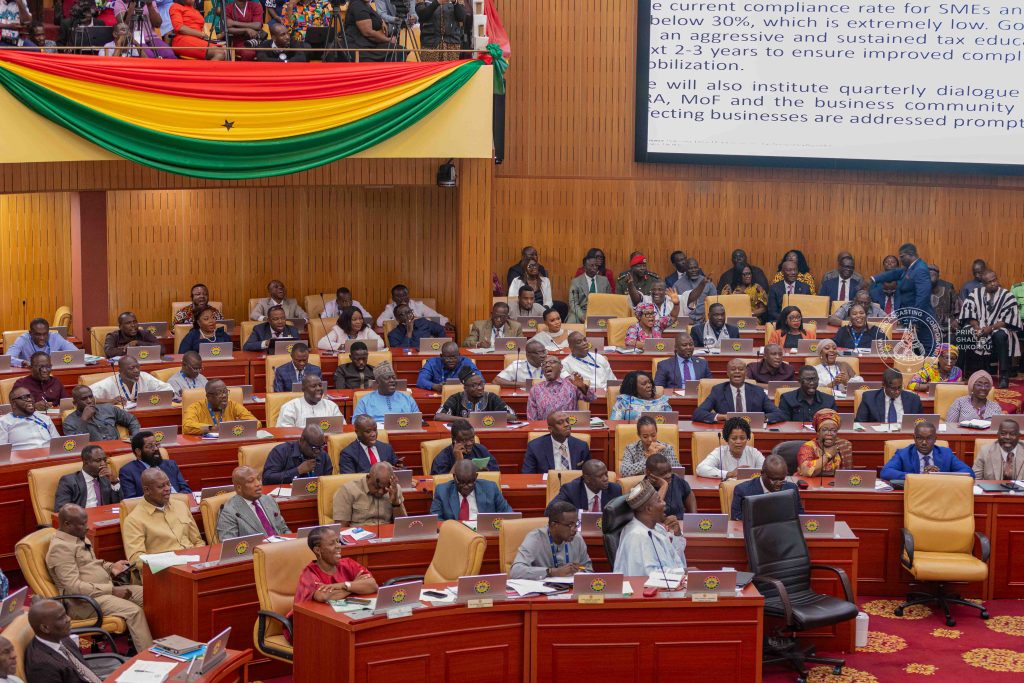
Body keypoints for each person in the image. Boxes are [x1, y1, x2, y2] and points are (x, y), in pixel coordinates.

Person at [46, 504, 152, 650]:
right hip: (83, 603)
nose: (87, 527)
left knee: (151, 597)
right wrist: (112, 590)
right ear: (67, 524)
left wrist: (112, 567)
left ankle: (162, 646)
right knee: (134, 612)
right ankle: (148, 657)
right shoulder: (60, 548)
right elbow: (73, 587)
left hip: (102, 592)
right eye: (82, 524)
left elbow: (93, 564)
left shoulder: (78, 537)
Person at [122, 468, 205, 570]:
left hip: (194, 564)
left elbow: (198, 541)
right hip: (164, 571)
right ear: (147, 490)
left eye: (168, 484)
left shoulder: (181, 506)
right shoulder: (133, 520)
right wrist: (171, 562)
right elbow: (136, 560)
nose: (167, 488)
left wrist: (199, 559)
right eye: (161, 486)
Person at [291, 527, 376, 621]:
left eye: (338, 541)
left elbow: (372, 585)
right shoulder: (309, 573)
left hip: (342, 618)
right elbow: (324, 596)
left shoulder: (348, 563)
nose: (338, 546)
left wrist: (343, 585)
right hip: (312, 622)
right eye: (332, 543)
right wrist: (355, 585)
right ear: (317, 550)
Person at [868, 243, 935, 355]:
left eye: (902, 256)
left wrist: (915, 320)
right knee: (913, 350)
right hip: (911, 317)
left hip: (920, 319)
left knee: (926, 349)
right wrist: (874, 279)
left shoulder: (920, 269)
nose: (900, 259)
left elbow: (923, 297)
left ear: (910, 254)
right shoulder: (910, 268)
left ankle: (928, 366)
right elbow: (894, 273)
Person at [959, 269, 1021, 387]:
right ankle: (959, 372)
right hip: (978, 326)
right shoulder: (975, 293)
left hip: (998, 327)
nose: (993, 283)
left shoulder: (1007, 295)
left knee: (1000, 336)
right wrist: (976, 327)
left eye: (994, 280)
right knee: (963, 333)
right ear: (983, 284)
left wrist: (990, 328)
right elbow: (969, 312)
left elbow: (1007, 319)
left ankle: (1004, 376)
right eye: (989, 282)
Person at [613, 480, 686, 575]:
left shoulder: (657, 528)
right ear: (648, 509)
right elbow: (650, 576)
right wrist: (685, 572)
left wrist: (677, 535)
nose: (664, 503)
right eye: (659, 500)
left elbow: (674, 560)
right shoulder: (637, 536)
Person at [24, 599, 104, 683]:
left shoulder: (61, 637)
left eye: (65, 614)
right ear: (45, 628)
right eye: (61, 618)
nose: (69, 619)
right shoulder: (42, 666)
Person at [509, 501, 593, 580]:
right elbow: (516, 571)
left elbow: (589, 570)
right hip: (542, 588)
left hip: (570, 588)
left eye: (576, 524)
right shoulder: (536, 538)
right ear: (554, 525)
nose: (575, 529)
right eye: (570, 525)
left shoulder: (577, 539)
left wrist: (581, 570)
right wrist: (551, 572)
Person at [693, 358, 784, 423]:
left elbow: (778, 414)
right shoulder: (718, 390)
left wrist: (760, 418)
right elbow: (698, 413)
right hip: (728, 431)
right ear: (727, 373)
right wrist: (723, 417)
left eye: (741, 369)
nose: (737, 371)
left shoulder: (758, 391)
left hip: (752, 429)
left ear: (746, 373)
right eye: (733, 369)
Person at [217, 466, 290, 540]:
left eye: (259, 479)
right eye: (251, 481)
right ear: (239, 488)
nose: (258, 484)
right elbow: (229, 543)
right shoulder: (229, 512)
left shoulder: (268, 500)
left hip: (281, 544)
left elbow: (283, 529)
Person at [880, 422, 974, 479]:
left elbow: (969, 472)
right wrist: (919, 477)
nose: (924, 442)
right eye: (920, 438)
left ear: (935, 439)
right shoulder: (903, 454)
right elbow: (886, 472)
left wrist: (940, 476)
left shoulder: (945, 453)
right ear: (914, 438)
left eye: (929, 438)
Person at [430, 459, 513, 521]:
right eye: (461, 482)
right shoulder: (442, 491)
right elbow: (436, 520)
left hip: (483, 534)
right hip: (455, 534)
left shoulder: (490, 488)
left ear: (476, 477)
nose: (466, 487)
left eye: (470, 482)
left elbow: (508, 514)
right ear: (454, 477)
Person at [119, 431, 191, 498]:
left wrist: (175, 501)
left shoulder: (171, 464)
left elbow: (187, 490)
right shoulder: (128, 472)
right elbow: (131, 500)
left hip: (178, 503)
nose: (156, 449)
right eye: (150, 446)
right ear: (138, 451)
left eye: (156, 445)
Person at [730, 455, 803, 521]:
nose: (778, 483)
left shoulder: (791, 488)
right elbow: (737, 518)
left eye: (782, 479)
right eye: (774, 479)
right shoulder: (743, 490)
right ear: (762, 473)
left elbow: (800, 515)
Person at [526, 357, 596, 421]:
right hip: (545, 428)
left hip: (569, 427)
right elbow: (532, 418)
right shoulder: (535, 389)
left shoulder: (572, 384)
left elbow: (591, 398)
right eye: (544, 364)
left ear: (561, 367)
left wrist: (582, 386)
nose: (547, 365)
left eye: (552, 362)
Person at [62, 385, 141, 441]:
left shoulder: (109, 408)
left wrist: (135, 437)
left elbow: (132, 420)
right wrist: (83, 420)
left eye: (91, 397)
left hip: (116, 448)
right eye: (84, 399)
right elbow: (76, 444)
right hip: (94, 455)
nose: (89, 401)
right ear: (75, 403)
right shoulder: (69, 422)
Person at [182, 379, 261, 435]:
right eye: (219, 393)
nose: (224, 396)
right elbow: (187, 426)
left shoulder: (233, 405)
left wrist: (240, 426)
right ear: (208, 396)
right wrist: (211, 428)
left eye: (225, 392)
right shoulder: (195, 407)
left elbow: (256, 423)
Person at [90, 356, 175, 407]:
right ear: (120, 371)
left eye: (137, 367)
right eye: (132, 368)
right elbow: (85, 398)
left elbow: (168, 389)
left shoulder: (144, 377)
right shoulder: (108, 383)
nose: (136, 370)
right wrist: (111, 401)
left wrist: (148, 398)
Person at [54, 446, 122, 510]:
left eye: (104, 460)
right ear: (86, 462)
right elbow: (61, 509)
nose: (103, 464)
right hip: (81, 517)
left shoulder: (106, 479)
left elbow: (118, 506)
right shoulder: (69, 481)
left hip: (104, 516)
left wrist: (114, 482)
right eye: (98, 460)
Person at [696, 416, 766, 479]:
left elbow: (766, 471)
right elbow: (700, 469)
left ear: (747, 438)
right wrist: (729, 474)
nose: (738, 442)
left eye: (742, 438)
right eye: (734, 438)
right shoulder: (719, 452)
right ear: (727, 439)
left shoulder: (754, 453)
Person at [522, 411, 591, 473]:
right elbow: (528, 475)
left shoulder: (582, 446)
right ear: (550, 429)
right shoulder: (535, 447)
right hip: (547, 483)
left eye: (568, 421)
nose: (566, 424)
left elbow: (588, 474)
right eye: (560, 422)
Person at [262, 425, 333, 484]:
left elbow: (328, 482)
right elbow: (267, 478)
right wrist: (298, 470)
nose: (318, 451)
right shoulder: (281, 451)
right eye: (314, 447)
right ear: (302, 440)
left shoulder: (323, 455)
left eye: (321, 447)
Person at [547, 459, 621, 513]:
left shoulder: (614, 490)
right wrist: (581, 513)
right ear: (587, 479)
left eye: (606, 474)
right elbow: (550, 509)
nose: (606, 479)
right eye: (600, 476)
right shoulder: (571, 489)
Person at [435, 371, 516, 421]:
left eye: (481, 384)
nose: (480, 388)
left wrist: (483, 418)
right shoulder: (456, 398)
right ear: (465, 388)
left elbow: (512, 416)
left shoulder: (492, 397)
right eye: (474, 385)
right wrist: (466, 420)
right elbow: (438, 416)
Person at [352, 364, 420, 421]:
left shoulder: (408, 399)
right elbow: (356, 423)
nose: (392, 380)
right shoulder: (365, 401)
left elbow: (418, 421)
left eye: (393, 377)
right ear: (377, 382)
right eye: (387, 378)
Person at [796, 409, 853, 477]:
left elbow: (847, 475)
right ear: (818, 432)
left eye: (833, 430)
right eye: (825, 430)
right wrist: (828, 456)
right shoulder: (808, 447)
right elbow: (805, 470)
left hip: (834, 482)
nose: (829, 434)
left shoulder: (844, 445)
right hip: (809, 482)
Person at [0, 386, 60, 450]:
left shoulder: (45, 418)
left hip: (48, 454)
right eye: (24, 397)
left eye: (30, 396)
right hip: (22, 456)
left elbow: (58, 444)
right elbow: (2, 451)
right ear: (13, 403)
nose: (29, 399)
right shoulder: (4, 422)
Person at [430, 419, 499, 474]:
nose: (469, 443)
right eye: (464, 440)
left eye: (472, 439)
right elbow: (441, 483)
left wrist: (486, 472)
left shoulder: (481, 450)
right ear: (454, 440)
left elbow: (496, 473)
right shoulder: (442, 458)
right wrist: (458, 461)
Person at [855, 368, 923, 423]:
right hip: (879, 434)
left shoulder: (914, 400)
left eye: (899, 387)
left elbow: (920, 424)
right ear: (884, 385)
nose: (897, 391)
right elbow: (859, 424)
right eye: (893, 388)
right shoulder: (869, 398)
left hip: (905, 435)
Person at [6, 318, 76, 367]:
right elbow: (7, 359)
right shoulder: (23, 339)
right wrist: (24, 363)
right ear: (31, 333)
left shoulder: (55, 337)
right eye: (38, 334)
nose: (42, 338)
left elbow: (76, 353)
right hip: (30, 375)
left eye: (45, 334)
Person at [277, 375, 342, 427]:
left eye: (320, 385)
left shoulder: (331, 406)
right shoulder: (290, 407)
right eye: (313, 386)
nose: (318, 388)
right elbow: (284, 432)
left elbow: (342, 427)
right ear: (303, 389)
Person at [646, 452, 695, 517]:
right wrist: (664, 485)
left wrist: (694, 515)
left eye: (670, 471)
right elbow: (654, 510)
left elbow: (689, 493)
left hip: (679, 521)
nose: (669, 475)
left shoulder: (676, 480)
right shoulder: (643, 488)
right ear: (649, 473)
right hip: (658, 523)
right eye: (663, 473)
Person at [568, 254, 611, 323]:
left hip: (600, 311)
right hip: (582, 311)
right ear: (585, 267)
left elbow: (609, 299)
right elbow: (573, 302)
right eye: (592, 265)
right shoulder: (576, 282)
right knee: (572, 321)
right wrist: (582, 316)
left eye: (596, 265)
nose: (595, 268)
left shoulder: (604, 280)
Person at [318, 306, 382, 352]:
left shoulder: (366, 329)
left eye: (360, 318)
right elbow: (321, 343)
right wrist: (343, 346)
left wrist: (357, 347)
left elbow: (381, 343)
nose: (359, 322)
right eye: (354, 319)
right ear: (347, 321)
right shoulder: (338, 330)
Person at [378, 284, 448, 326]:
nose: (402, 299)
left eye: (404, 295)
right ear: (393, 298)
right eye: (398, 296)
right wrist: (401, 320)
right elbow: (379, 322)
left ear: (408, 296)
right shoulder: (390, 307)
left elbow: (439, 318)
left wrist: (445, 323)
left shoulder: (419, 305)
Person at [674, 257, 717, 324]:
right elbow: (674, 305)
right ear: (685, 269)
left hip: (705, 320)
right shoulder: (677, 285)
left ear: (699, 268)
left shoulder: (707, 283)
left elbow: (714, 302)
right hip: (686, 321)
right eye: (690, 268)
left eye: (695, 268)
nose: (693, 270)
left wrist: (707, 314)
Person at [929, 264, 959, 337]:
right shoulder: (920, 293)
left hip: (948, 331)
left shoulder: (949, 291)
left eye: (933, 275)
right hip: (928, 331)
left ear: (938, 276)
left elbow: (960, 311)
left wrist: (956, 321)